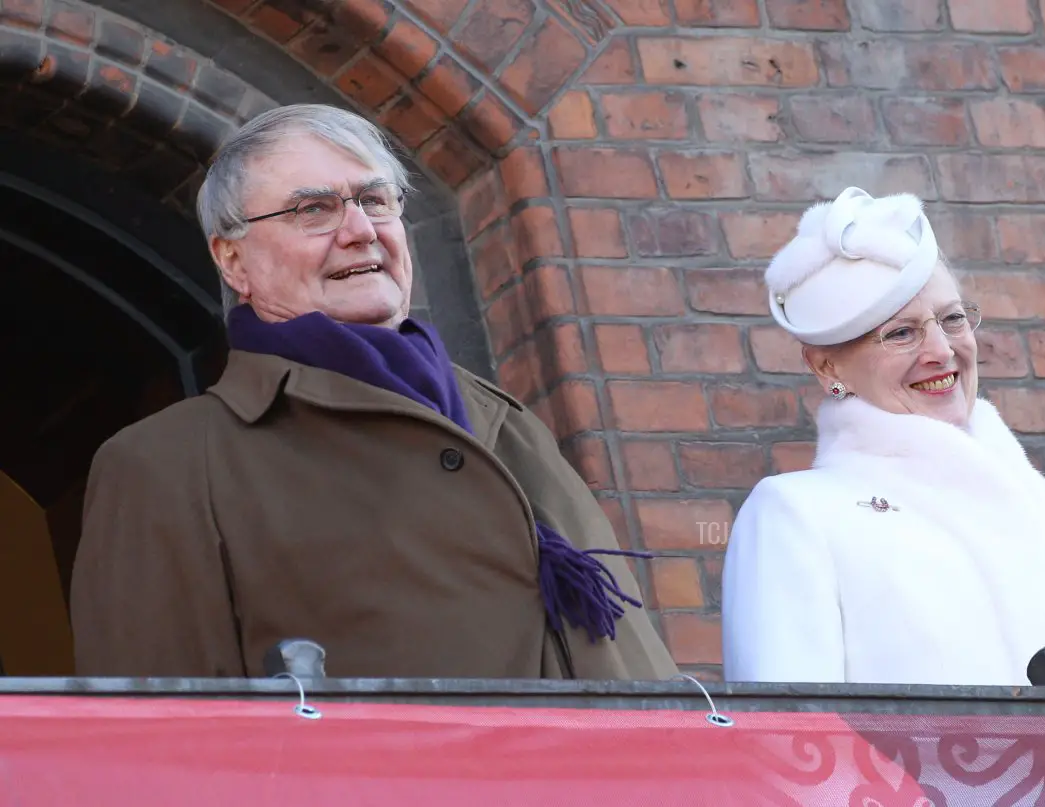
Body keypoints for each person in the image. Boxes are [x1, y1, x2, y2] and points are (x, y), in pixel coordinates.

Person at [70, 103, 678, 682]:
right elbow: (164, 746)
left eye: (375, 200)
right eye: (313, 210)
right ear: (233, 262)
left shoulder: (511, 425)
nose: (360, 229)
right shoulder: (169, 465)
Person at [721, 186, 1045, 688]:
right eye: (900, 333)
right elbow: (791, 746)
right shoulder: (798, 517)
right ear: (826, 366)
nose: (942, 350)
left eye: (952, 319)